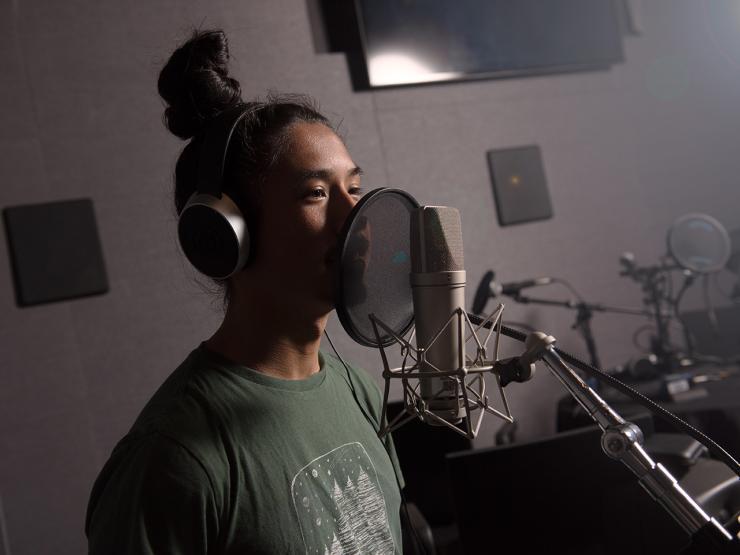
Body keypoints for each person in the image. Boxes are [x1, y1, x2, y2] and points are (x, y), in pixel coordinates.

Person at [85, 29, 405, 554]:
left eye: (355, 188)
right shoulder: (171, 457)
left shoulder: (357, 391)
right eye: (317, 193)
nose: (357, 220)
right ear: (226, 233)